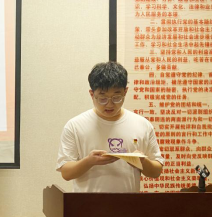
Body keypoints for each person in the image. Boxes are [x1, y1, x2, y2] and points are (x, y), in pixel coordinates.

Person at [57, 61, 165, 193]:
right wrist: (89, 161)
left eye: (116, 97)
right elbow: (66, 173)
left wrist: (142, 162)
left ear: (125, 92)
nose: (109, 104)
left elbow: (156, 171)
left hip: (129, 204)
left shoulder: (142, 124)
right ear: (92, 94)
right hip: (87, 204)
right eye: (102, 98)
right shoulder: (75, 125)